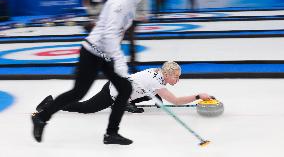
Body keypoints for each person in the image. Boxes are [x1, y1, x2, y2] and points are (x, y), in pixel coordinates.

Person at [31, 0, 153, 145]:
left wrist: (115, 59)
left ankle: (111, 134)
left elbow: (117, 33)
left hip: (104, 52)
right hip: (93, 51)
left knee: (125, 88)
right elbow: (110, 33)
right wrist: (118, 61)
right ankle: (42, 117)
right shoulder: (123, 0)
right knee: (78, 93)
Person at [36, 62, 213, 117]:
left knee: (149, 96)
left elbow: (144, 87)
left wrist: (158, 99)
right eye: (176, 76)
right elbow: (175, 101)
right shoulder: (157, 82)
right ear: (167, 75)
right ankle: (51, 104)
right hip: (113, 92)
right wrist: (198, 95)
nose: (178, 79)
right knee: (85, 108)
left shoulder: (158, 73)